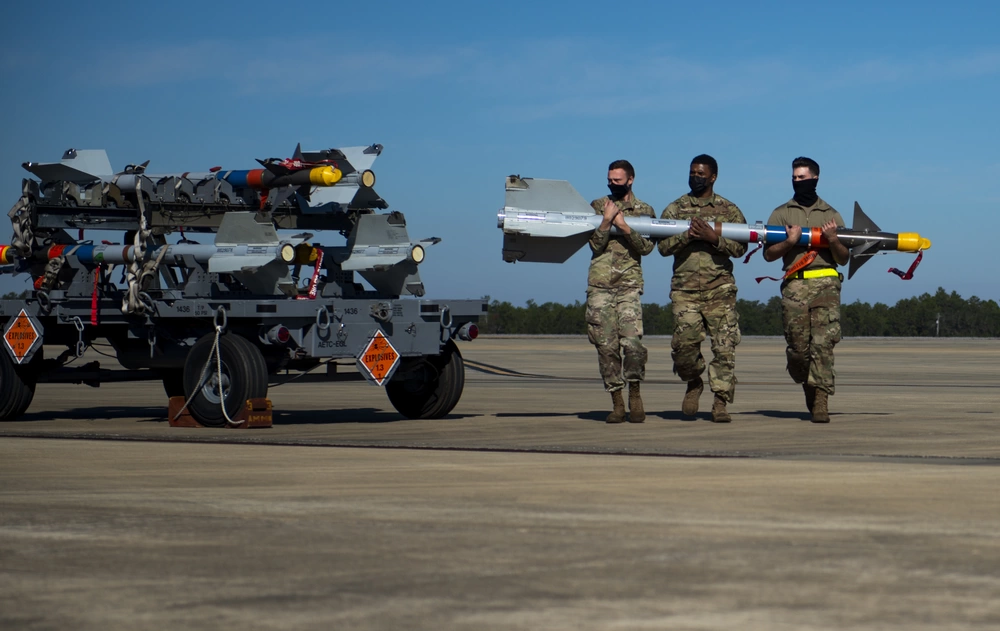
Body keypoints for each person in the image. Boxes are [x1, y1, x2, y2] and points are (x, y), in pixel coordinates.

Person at [657, 154, 747, 423]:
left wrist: (714, 239)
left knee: (724, 349)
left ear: (713, 177)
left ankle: (720, 402)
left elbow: (741, 248)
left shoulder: (729, 210)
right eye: (692, 172)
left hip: (720, 290)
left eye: (700, 173)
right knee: (683, 349)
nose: (695, 177)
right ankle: (693, 381)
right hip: (685, 292)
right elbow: (661, 247)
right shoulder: (675, 208)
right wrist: (687, 236)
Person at [763, 157, 849, 423]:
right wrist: (789, 242)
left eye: (802, 177)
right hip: (795, 285)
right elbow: (768, 255)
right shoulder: (781, 213)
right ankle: (807, 383)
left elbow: (844, 257)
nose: (797, 181)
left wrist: (834, 240)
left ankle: (821, 398)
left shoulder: (832, 214)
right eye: (794, 177)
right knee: (799, 350)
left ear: (815, 178)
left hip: (826, 284)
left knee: (823, 345)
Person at [587, 160, 656, 423]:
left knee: (633, 345)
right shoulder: (596, 206)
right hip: (600, 286)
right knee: (606, 347)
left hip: (628, 286)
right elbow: (594, 246)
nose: (612, 184)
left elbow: (647, 248)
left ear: (630, 180)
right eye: (609, 180)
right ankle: (617, 402)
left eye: (617, 180)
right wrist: (605, 222)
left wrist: (625, 227)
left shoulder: (645, 210)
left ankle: (635, 393)